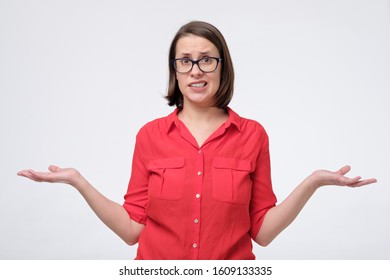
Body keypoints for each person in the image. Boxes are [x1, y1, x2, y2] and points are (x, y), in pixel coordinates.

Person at [17, 21, 377, 260]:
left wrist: (313, 182)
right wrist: (79, 182)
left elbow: (262, 232)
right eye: (185, 61)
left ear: (223, 66)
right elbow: (131, 229)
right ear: (174, 70)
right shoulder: (150, 136)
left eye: (207, 60)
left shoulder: (252, 135)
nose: (196, 71)